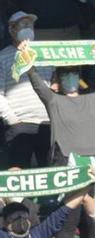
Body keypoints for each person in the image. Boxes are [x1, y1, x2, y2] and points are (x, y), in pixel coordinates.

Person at [0, 12, 48, 168]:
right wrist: (13, 120)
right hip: (20, 124)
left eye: (30, 24)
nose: (28, 27)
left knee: (49, 171)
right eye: (23, 24)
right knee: (17, 171)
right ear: (12, 30)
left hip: (46, 122)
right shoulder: (3, 57)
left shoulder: (45, 54)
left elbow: (54, 82)